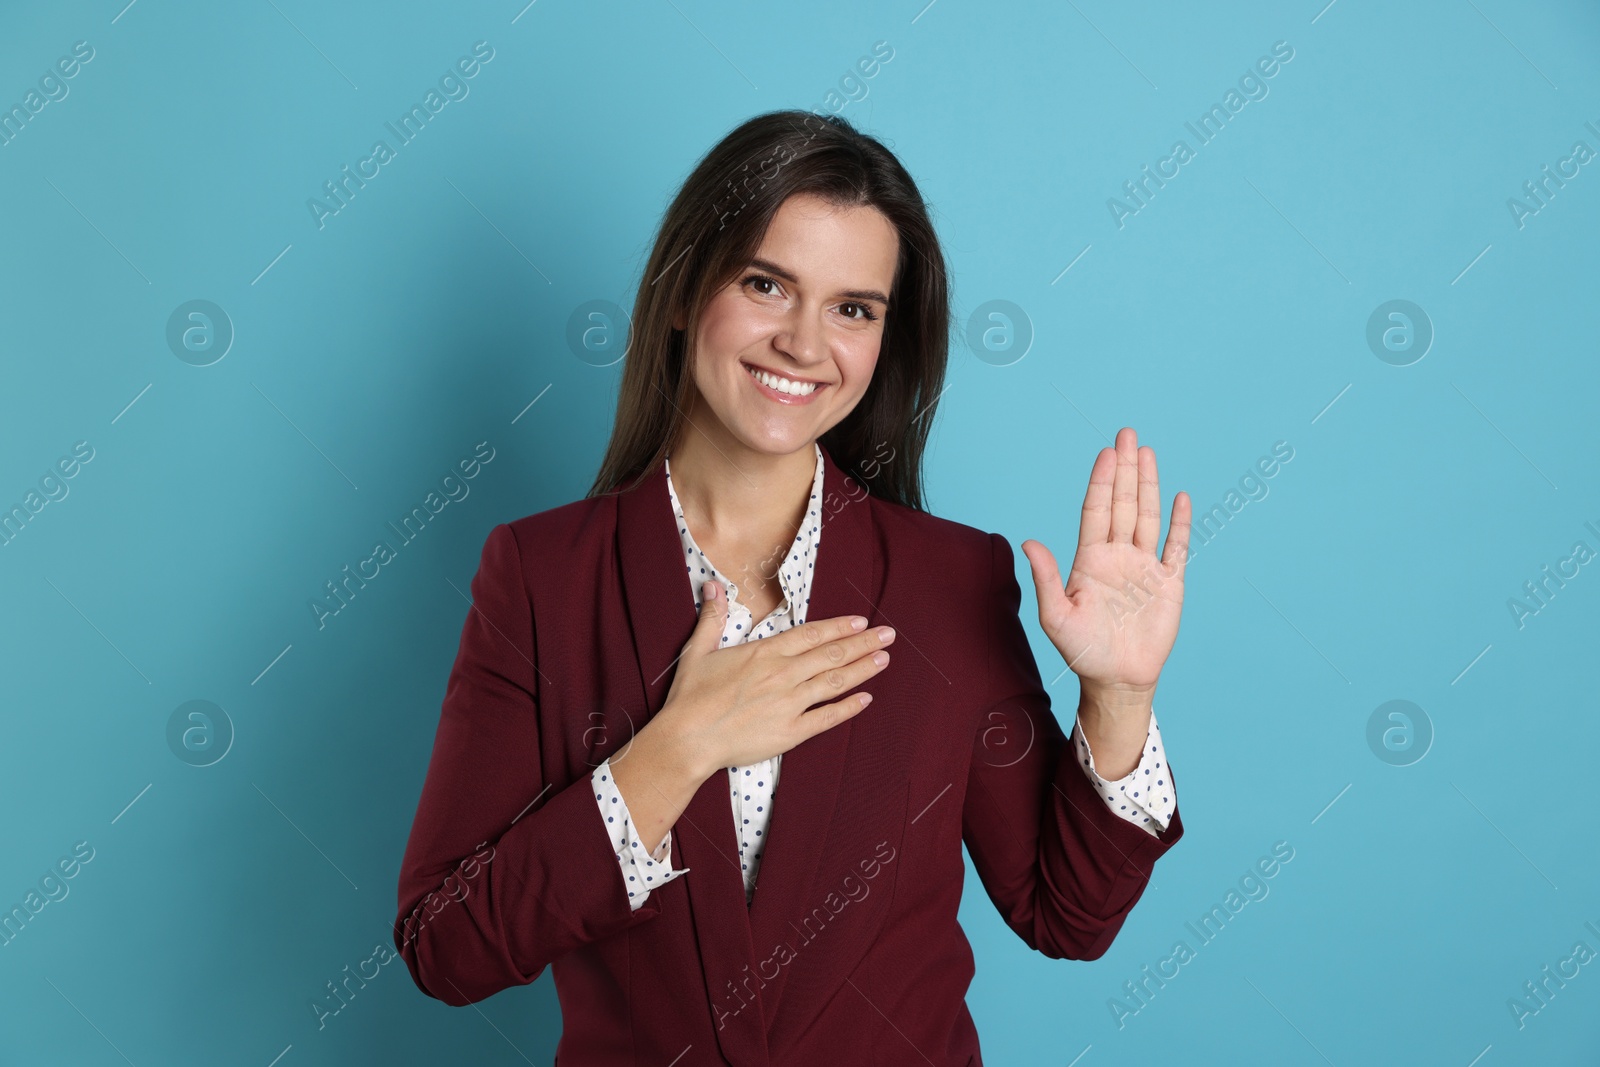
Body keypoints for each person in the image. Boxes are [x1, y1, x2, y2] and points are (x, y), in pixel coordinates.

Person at [393, 108, 1191, 1065]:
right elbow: (446, 944)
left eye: (853, 308)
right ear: (687, 290)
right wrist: (676, 748)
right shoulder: (540, 576)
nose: (805, 344)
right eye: (767, 284)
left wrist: (1118, 697)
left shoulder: (948, 582)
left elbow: (1067, 912)